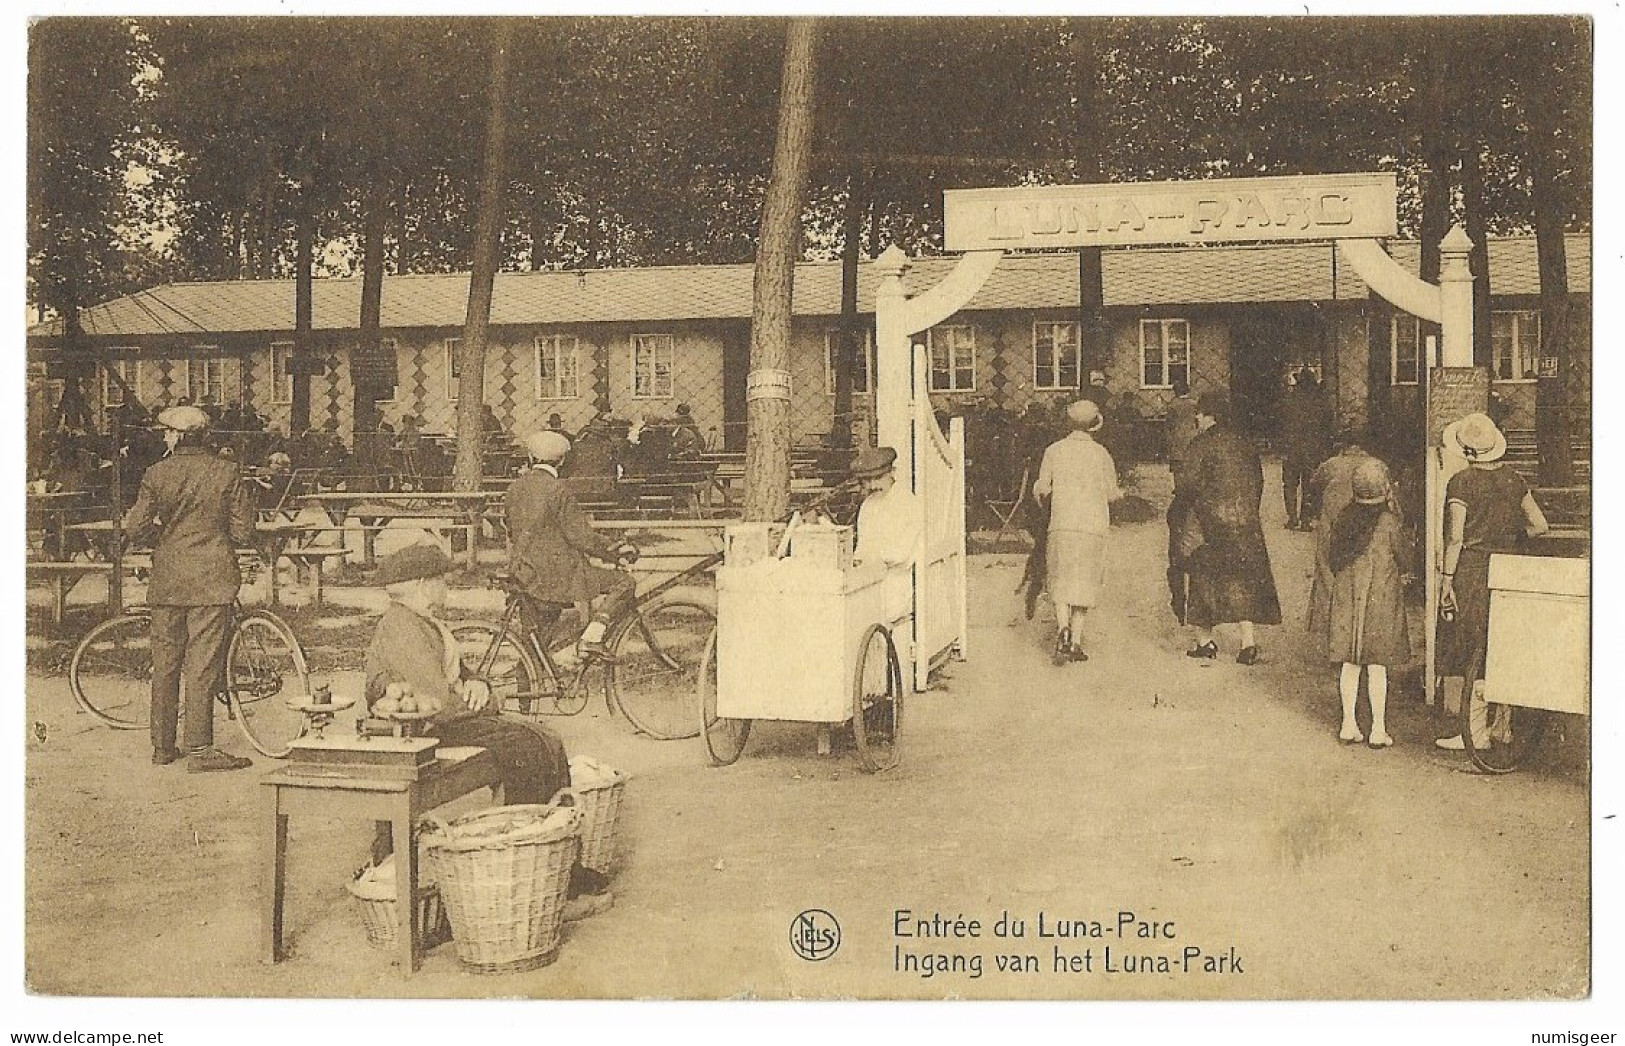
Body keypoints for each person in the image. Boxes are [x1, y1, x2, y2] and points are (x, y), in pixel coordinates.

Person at [361, 544, 611, 910]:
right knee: (526, 745)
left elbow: (458, 672)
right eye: (440, 580)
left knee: (547, 740)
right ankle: (527, 868)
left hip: (441, 722)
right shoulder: (402, 628)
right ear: (420, 585)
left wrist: (480, 682)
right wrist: (491, 701)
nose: (446, 586)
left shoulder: (422, 619)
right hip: (424, 731)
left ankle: (558, 868)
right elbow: (440, 704)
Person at [120, 405, 257, 771]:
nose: (164, 437)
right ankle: (199, 749)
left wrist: (163, 538)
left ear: (176, 437)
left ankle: (163, 746)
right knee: (202, 663)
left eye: (166, 432)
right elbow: (244, 531)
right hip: (213, 579)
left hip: (168, 579)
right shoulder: (227, 472)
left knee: (165, 663)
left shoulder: (156, 474)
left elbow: (135, 528)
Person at [1434, 412, 1549, 752]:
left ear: (1469, 452)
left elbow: (1456, 539)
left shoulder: (1462, 483)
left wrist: (1446, 580)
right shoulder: (1514, 479)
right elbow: (1540, 525)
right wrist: (1510, 537)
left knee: (1474, 645)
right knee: (1504, 643)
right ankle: (1503, 727)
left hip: (1471, 570)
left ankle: (1475, 732)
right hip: (1510, 565)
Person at [507, 430, 637, 655]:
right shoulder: (558, 490)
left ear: (530, 457)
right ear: (563, 460)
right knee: (624, 583)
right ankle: (592, 637)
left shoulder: (514, 488)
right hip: (558, 576)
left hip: (525, 573)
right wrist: (616, 550)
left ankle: (528, 685)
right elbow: (581, 537)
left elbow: (511, 530)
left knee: (536, 647)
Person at [1178, 391, 1282, 664]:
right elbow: (1258, 481)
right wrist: (1247, 510)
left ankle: (1205, 642)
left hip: (1209, 520)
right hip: (1244, 521)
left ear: (1209, 415)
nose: (1197, 418)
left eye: (1199, 413)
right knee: (1243, 580)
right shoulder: (1244, 444)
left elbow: (1186, 485)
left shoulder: (1200, 445)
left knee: (1203, 579)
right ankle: (1247, 643)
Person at [1324, 458, 1410, 748]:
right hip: (1381, 598)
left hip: (1348, 598)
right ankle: (1378, 729)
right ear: (1385, 488)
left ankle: (1348, 724)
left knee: (1349, 662)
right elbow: (1405, 557)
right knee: (1377, 665)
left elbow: (1331, 555)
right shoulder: (1389, 522)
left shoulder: (1343, 517)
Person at [1032, 400, 1121, 664]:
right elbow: (1112, 493)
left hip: (1062, 524)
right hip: (1093, 527)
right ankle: (1076, 642)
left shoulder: (1054, 451)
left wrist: (1045, 501)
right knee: (1085, 581)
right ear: (1094, 425)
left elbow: (1041, 488)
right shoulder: (1101, 454)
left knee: (1061, 578)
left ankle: (1062, 629)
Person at [1306, 427, 1383, 641]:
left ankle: (1332, 625)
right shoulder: (1377, 465)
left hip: (1333, 524)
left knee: (1327, 572)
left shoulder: (1331, 465)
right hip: (1368, 526)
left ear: (1344, 446)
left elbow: (1314, 484)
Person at [850, 446, 923, 628]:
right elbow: (863, 545)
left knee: (886, 619)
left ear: (892, 472)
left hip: (894, 581)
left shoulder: (907, 503)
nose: (873, 485)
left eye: (878, 478)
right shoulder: (869, 504)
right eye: (868, 480)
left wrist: (874, 558)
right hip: (868, 578)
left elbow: (901, 553)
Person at [1278, 369, 1331, 530]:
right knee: (1309, 485)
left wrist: (1282, 447)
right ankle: (1306, 520)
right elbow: (1327, 427)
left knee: (1289, 484)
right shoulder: (1320, 402)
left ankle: (1292, 518)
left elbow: (1279, 425)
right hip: (1312, 450)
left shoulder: (1289, 400)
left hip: (1292, 449)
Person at [1164, 377, 1200, 478]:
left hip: (1177, 438)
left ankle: (1178, 488)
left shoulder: (1173, 405)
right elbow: (1198, 421)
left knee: (1178, 466)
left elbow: (1169, 424)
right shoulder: (1194, 404)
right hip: (1192, 436)